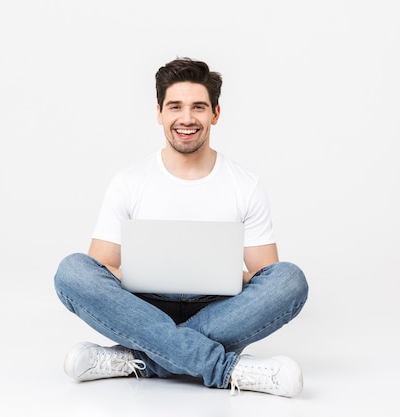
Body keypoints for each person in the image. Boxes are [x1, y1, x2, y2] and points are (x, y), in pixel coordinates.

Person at [54, 57, 309, 398]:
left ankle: (141, 358)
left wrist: (228, 274)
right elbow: (98, 266)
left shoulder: (244, 184)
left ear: (215, 114)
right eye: (175, 106)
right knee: (72, 272)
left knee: (290, 280)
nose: (186, 119)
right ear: (159, 112)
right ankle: (225, 368)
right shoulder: (129, 181)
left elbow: (267, 274)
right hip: (143, 306)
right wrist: (140, 272)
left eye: (198, 107)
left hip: (218, 308)